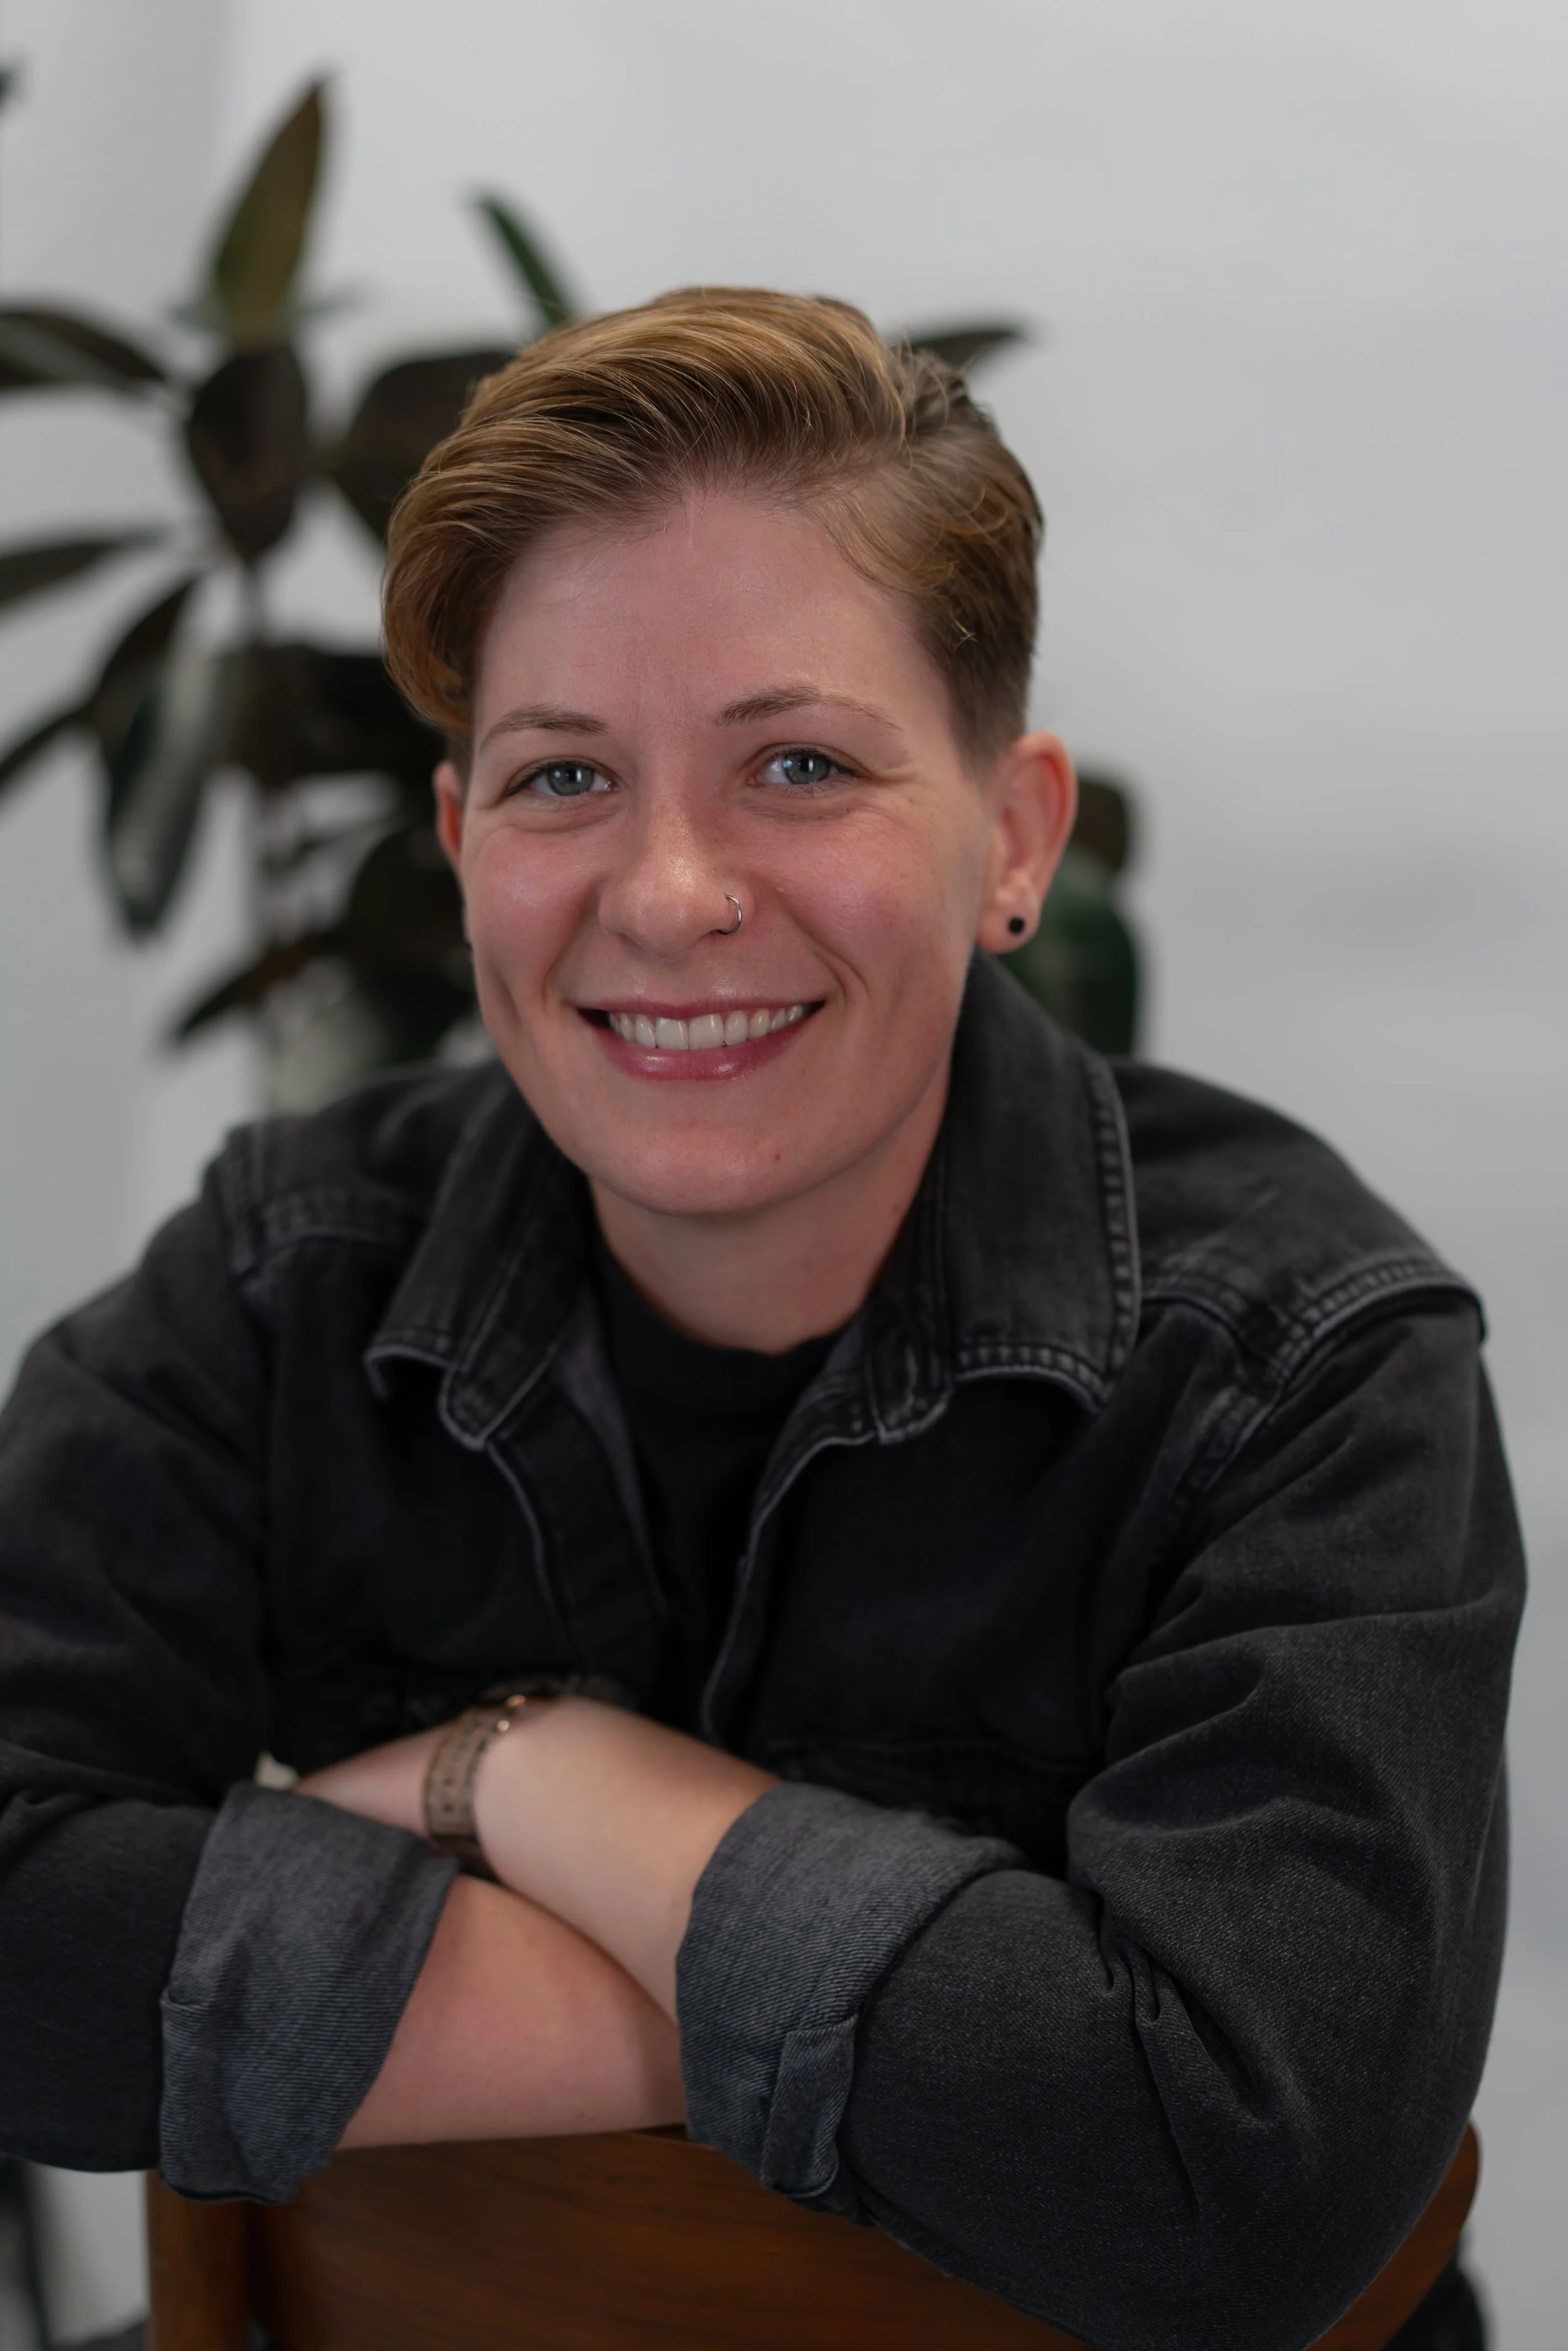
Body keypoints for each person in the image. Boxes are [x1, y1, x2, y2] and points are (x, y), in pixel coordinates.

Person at [0, 290, 1522, 2351]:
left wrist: (522, 1778)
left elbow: (1221, 2185)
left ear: (1011, 838)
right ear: (460, 854)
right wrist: (902, 2027)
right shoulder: (284, 1281)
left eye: (796, 762)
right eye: (560, 780)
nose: (673, 891)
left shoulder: (1299, 1365)